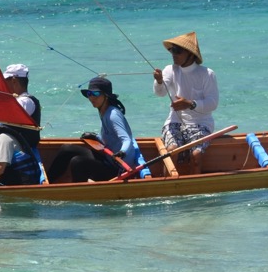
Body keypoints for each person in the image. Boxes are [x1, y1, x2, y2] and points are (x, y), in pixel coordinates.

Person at [45, 76, 140, 183]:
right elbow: (110, 138)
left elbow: (126, 139)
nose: (91, 98)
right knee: (66, 149)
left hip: (119, 168)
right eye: (89, 94)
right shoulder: (103, 110)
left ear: (106, 95)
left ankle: (79, 195)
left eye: (96, 94)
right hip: (107, 158)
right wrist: (96, 136)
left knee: (77, 162)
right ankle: (47, 183)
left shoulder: (113, 115)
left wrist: (122, 152)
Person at [152, 31, 219, 174]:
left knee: (196, 155)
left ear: (190, 53)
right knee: (171, 152)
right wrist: (159, 81)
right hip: (175, 121)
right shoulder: (170, 70)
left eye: (177, 51)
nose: (173, 54)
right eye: (171, 50)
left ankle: (195, 188)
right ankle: (167, 189)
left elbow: (212, 103)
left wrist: (190, 104)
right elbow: (160, 93)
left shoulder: (207, 74)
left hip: (201, 123)